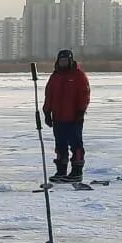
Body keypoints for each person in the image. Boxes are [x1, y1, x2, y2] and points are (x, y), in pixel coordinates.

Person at [42, 48, 91, 182]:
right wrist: (47, 112)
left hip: (74, 117)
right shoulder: (55, 76)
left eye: (65, 60)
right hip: (58, 118)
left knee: (76, 145)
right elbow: (49, 95)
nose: (63, 63)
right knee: (60, 145)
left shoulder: (78, 75)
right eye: (61, 61)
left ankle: (76, 172)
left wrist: (81, 111)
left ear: (70, 61)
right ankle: (61, 171)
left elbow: (84, 94)